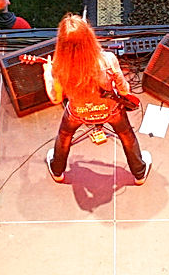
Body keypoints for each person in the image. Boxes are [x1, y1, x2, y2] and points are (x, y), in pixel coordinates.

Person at [41, 14, 151, 185]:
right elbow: (124, 90)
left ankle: (57, 171)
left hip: (78, 112)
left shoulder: (59, 67)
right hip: (111, 110)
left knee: (64, 135)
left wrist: (47, 74)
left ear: (61, 44)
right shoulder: (108, 60)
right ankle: (139, 174)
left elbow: (56, 98)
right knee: (126, 135)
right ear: (89, 38)